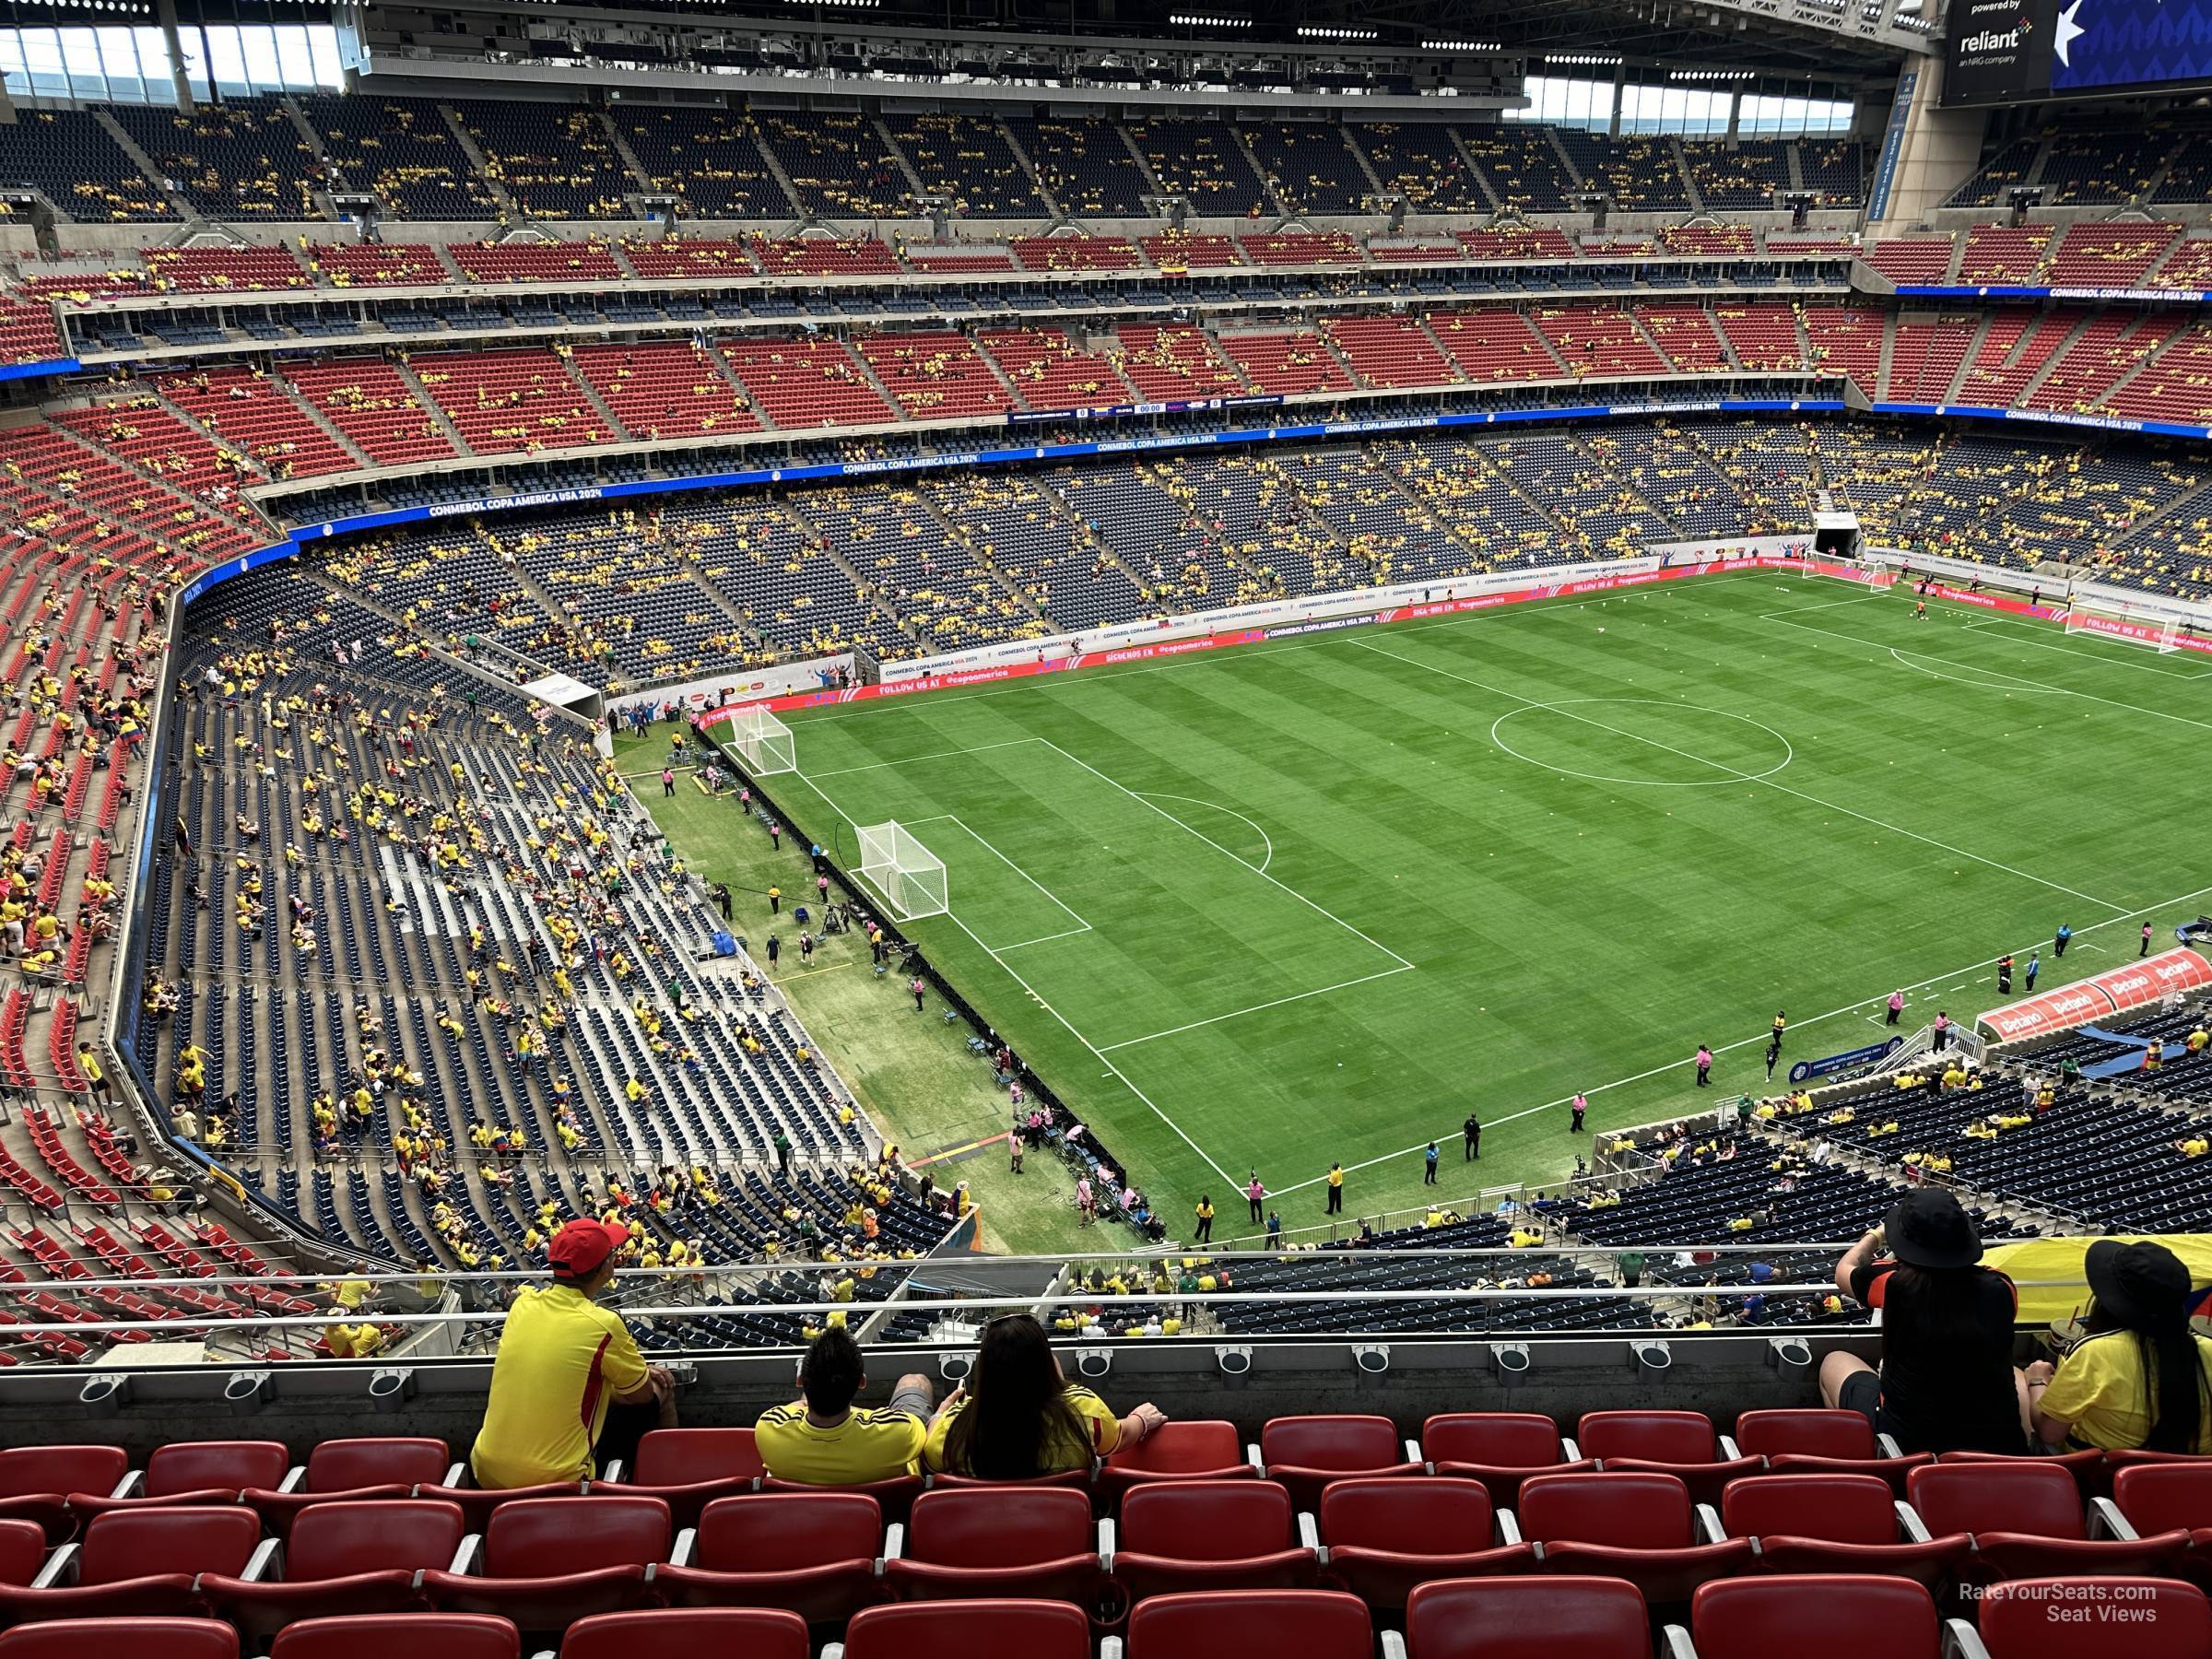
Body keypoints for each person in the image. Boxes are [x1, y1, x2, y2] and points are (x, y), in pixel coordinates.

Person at [1818, 1190, 2025, 1455]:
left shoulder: (1893, 1282)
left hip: (1910, 1438)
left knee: (1833, 1361)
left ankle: (1864, 1455)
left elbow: (1843, 1270)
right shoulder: (2001, 1285)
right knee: (2017, 1373)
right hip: (1993, 1440)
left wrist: (1876, 1235)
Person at [470, 1219, 674, 1487]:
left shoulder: (523, 1304)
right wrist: (638, 1376)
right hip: (555, 1484)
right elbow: (641, 1395)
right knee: (662, 1388)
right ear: (606, 1268)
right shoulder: (604, 1324)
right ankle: (668, 1483)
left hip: (484, 1471)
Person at [923, 1313, 1165, 1477]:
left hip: (984, 1541)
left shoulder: (955, 1424)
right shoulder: (1083, 1408)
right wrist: (1141, 1419)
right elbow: (1118, 1438)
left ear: (986, 1370)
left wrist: (939, 1413)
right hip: (1064, 1540)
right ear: (1044, 1361)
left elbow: (931, 1456)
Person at [2026, 1241, 2212, 1454]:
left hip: (2100, 1474)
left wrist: (2036, 1379)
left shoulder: (2095, 1352)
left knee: (2019, 1377)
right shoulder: (2208, 1349)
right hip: (2189, 1475)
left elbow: (2050, 1433)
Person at [755, 1325, 935, 1483]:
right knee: (914, 1380)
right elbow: (918, 1426)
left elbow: (799, 1405)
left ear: (800, 1380)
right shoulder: (900, 1431)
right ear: (861, 1382)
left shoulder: (767, 1426)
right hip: (879, 1516)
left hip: (804, 1517)